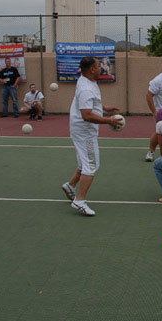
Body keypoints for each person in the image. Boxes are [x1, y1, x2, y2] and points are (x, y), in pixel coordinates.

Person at [61, 57, 122, 216]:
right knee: (92, 165)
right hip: (85, 131)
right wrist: (108, 120)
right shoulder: (86, 88)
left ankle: (71, 186)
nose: (102, 68)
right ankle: (79, 201)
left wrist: (105, 108)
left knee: (84, 162)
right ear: (92, 70)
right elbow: (87, 115)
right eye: (98, 66)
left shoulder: (87, 81)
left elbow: (91, 103)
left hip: (82, 129)